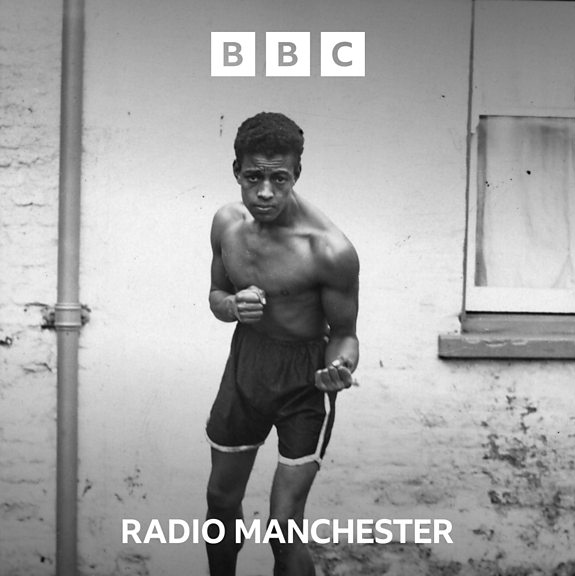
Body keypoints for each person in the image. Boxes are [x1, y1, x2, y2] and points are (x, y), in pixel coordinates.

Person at [205, 112, 360, 576]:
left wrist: (340, 368)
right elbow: (216, 296)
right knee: (220, 501)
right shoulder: (227, 224)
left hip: (305, 378)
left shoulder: (328, 250)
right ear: (237, 171)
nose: (266, 192)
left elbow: (345, 335)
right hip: (247, 365)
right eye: (254, 177)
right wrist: (232, 306)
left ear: (297, 174)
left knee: (283, 525)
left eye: (279, 178)